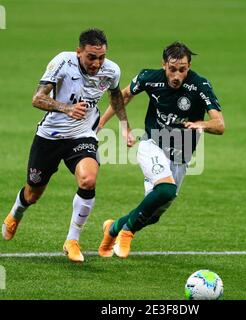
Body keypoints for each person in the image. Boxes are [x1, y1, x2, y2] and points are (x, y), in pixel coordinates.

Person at [2, 28, 133, 262]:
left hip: (83, 135)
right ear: (79, 52)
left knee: (88, 179)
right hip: (50, 136)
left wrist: (124, 125)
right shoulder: (63, 62)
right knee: (33, 193)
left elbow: (115, 96)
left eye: (101, 57)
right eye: (91, 57)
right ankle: (16, 213)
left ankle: (72, 240)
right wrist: (67, 108)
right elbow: (37, 98)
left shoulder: (111, 70)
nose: (97, 63)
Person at [98, 42, 225, 258]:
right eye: (172, 69)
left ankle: (113, 228)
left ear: (189, 66)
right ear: (164, 65)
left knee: (153, 214)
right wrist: (104, 123)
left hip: (181, 155)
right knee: (166, 190)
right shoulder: (150, 78)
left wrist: (200, 124)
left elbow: (219, 124)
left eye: (182, 69)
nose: (177, 75)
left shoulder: (200, 85)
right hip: (152, 145)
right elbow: (123, 95)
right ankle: (127, 233)